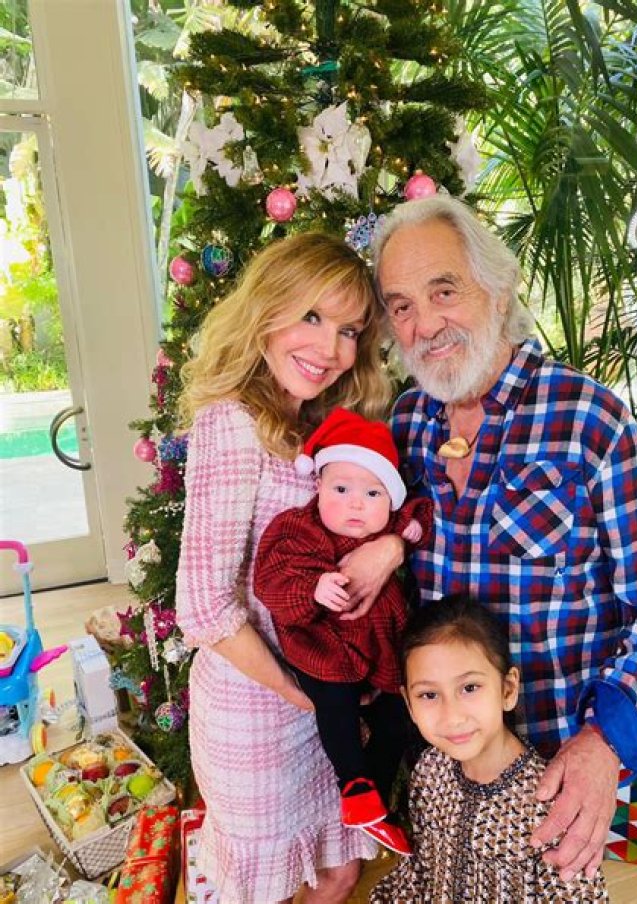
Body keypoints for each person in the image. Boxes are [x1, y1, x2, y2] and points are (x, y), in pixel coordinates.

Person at [351, 194, 637, 882]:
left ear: (499, 287)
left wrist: (602, 747)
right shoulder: (406, 423)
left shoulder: (589, 421)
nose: (425, 326)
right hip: (441, 774)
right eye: (402, 306)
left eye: (443, 291)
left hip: (552, 781)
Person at [175, 232, 395, 904]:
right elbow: (203, 608)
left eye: (349, 330)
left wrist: (389, 548)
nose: (330, 349)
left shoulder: (321, 426)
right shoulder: (232, 424)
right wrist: (303, 694)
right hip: (257, 716)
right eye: (311, 317)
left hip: (320, 706)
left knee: (340, 869)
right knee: (263, 889)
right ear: (265, 312)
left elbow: (371, 516)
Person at [253, 407, 434, 856]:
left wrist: (407, 533)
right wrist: (313, 588)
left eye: (373, 493)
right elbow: (270, 581)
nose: (356, 504)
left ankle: (374, 795)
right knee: (336, 706)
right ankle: (353, 782)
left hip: (379, 645)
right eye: (341, 489)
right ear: (317, 486)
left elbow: (420, 513)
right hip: (322, 646)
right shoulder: (298, 529)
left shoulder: (386, 526)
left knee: (398, 714)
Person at [370, 594, 610, 902]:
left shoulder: (549, 803)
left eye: (469, 688)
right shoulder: (429, 771)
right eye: (429, 695)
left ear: (507, 690)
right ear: (409, 704)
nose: (452, 716)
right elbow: (420, 872)